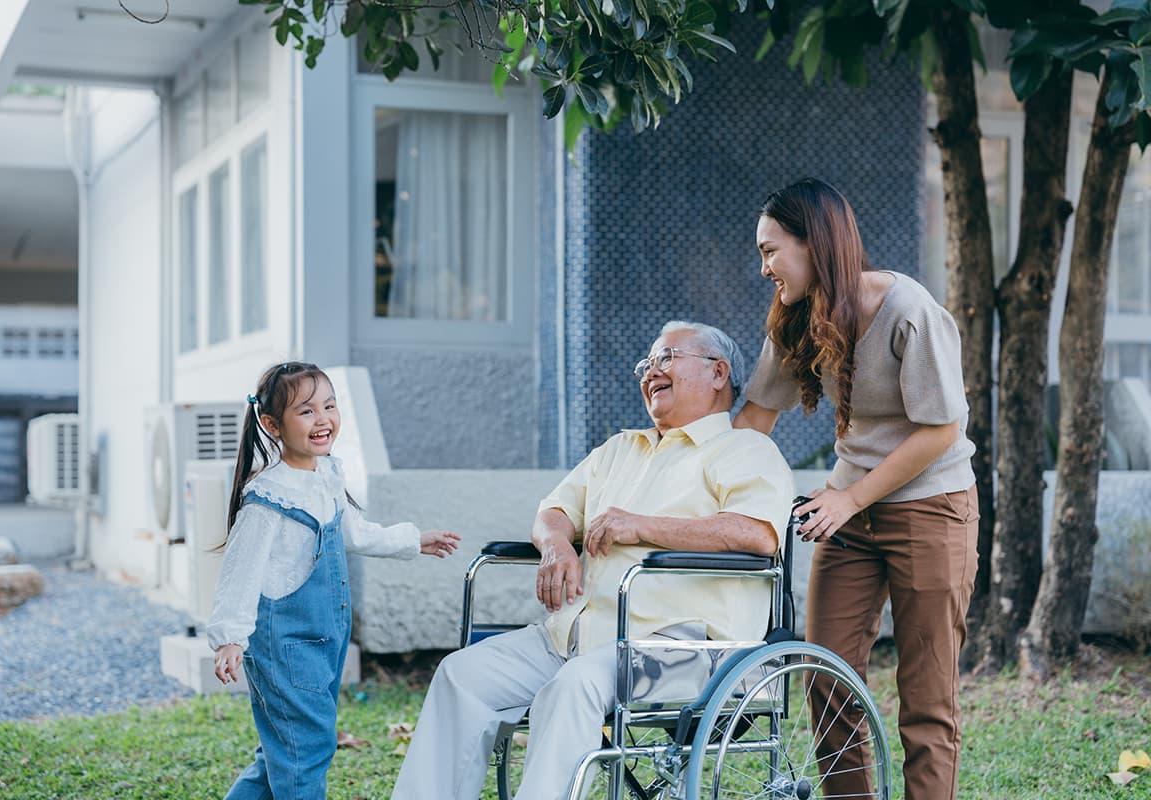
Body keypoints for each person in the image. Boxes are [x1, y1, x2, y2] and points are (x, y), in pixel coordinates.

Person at [393, 320, 794, 800]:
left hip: (684, 649)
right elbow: (553, 511)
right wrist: (558, 545)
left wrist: (642, 525)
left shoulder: (745, 449)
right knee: (462, 675)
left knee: (574, 687)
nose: (650, 372)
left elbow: (756, 534)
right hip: (577, 637)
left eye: (666, 358)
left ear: (717, 372)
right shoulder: (620, 448)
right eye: (646, 364)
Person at [736, 177, 979, 799]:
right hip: (848, 516)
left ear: (813, 244)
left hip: (931, 508)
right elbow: (754, 421)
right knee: (826, 677)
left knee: (927, 698)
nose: (763, 267)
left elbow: (940, 430)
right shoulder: (798, 321)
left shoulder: (908, 310)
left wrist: (850, 498)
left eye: (771, 250)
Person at [207, 361, 461, 800]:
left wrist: (413, 540)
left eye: (329, 405)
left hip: (322, 641)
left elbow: (353, 531)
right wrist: (230, 637)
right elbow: (240, 572)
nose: (323, 419)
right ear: (272, 425)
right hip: (284, 645)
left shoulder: (325, 476)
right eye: (306, 411)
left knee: (286, 748)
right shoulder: (269, 498)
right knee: (305, 751)